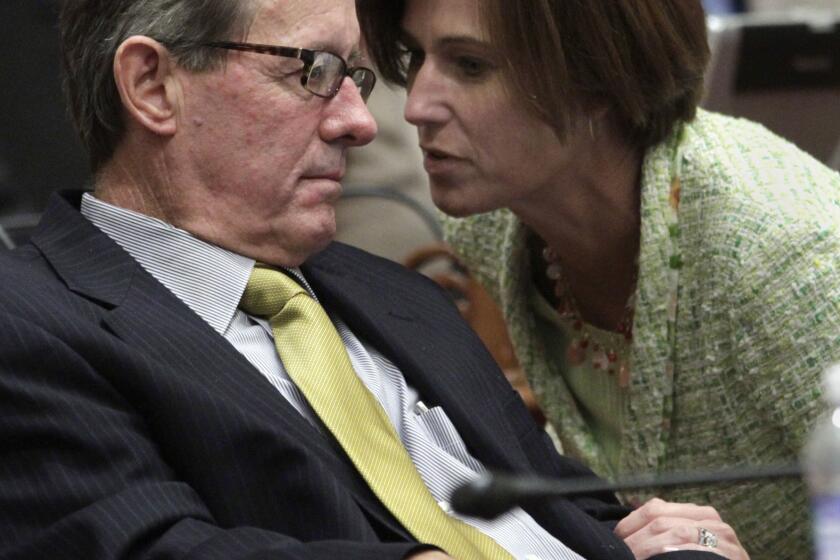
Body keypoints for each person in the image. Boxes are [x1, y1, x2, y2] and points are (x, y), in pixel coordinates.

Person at [0, 0, 746, 559]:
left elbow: (559, 510)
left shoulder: (396, 295)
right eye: (312, 72)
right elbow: (146, 546)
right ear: (154, 86)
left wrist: (665, 542)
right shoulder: (32, 319)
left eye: (355, 76)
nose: (361, 122)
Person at [356, 0, 840, 557]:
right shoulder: (494, 224)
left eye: (470, 66)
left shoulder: (784, 259)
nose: (416, 104)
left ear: (599, 73)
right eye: (415, 56)